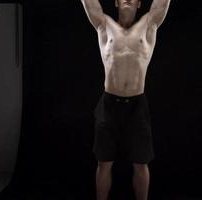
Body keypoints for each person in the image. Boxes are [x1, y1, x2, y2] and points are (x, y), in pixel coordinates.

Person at [81, 0, 171, 199]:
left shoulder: (148, 24)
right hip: (109, 104)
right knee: (104, 162)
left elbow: (162, 3)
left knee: (141, 163)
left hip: (137, 106)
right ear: (116, 2)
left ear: (139, 3)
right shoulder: (104, 24)